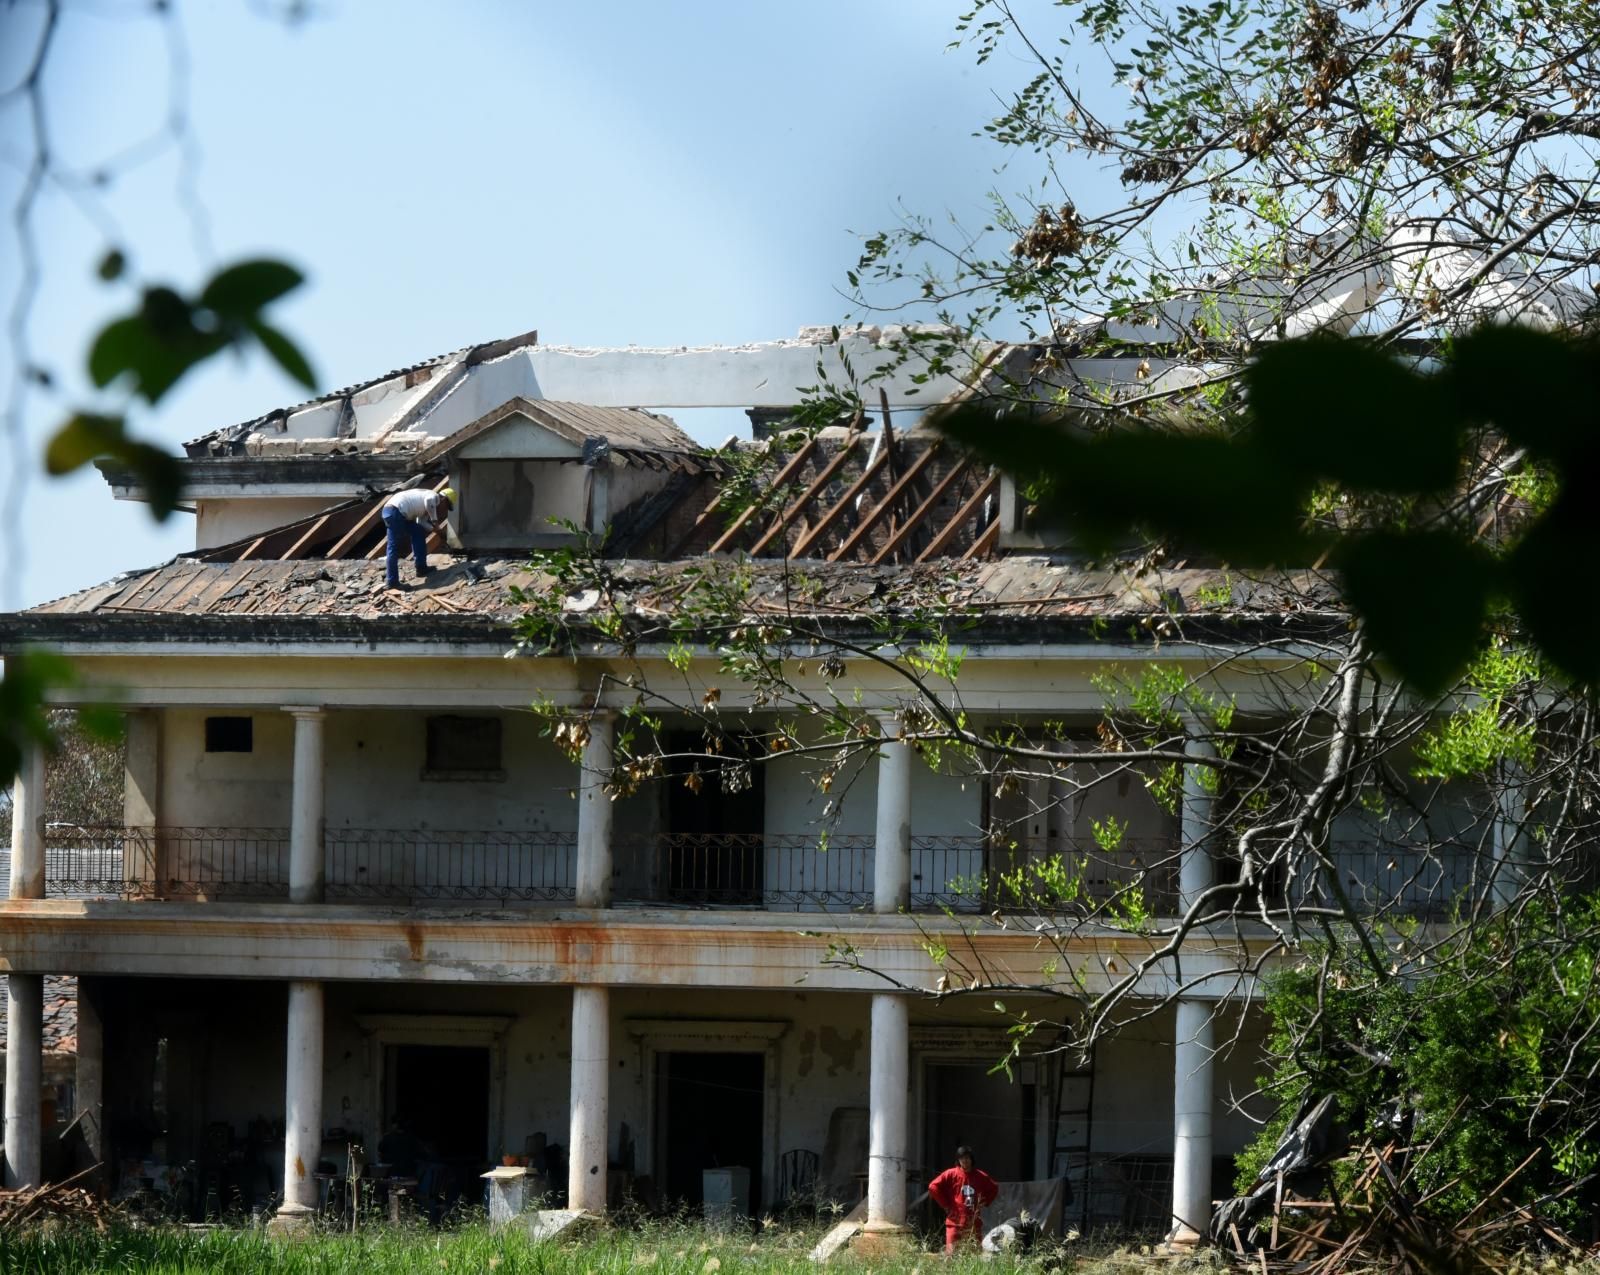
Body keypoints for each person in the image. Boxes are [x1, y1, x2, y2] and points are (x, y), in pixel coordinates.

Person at [928, 1145, 999, 1254]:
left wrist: (984, 1202)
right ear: (958, 1160)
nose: (964, 1161)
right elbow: (933, 1186)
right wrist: (945, 1204)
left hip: (973, 1223)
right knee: (951, 1255)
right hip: (954, 1222)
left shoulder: (980, 1176)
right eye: (962, 1158)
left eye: (967, 1158)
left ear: (971, 1159)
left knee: (974, 1256)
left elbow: (994, 1188)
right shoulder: (951, 1174)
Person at [382, 486, 454, 588]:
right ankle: (392, 582)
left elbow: (422, 522)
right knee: (393, 548)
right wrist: (435, 522)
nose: (444, 509)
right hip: (395, 511)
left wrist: (437, 531)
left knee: (418, 532)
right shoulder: (433, 496)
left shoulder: (426, 506)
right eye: (446, 506)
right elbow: (429, 502)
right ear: (444, 499)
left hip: (397, 512)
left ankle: (421, 568)